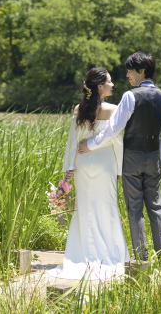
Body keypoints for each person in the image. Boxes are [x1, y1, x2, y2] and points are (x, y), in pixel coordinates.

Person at [78, 52, 161, 262]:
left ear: (141, 71)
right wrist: (160, 159)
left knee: (135, 206)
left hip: (132, 157)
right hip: (153, 157)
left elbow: (113, 129)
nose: (128, 75)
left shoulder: (130, 97)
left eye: (130, 70)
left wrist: (91, 145)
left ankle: (141, 259)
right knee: (156, 207)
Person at [47, 67, 130, 280]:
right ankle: (110, 254)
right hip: (106, 163)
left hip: (83, 162)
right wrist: (121, 169)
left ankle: (81, 254)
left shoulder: (78, 109)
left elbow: (72, 141)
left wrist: (69, 169)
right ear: (100, 87)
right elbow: (118, 141)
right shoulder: (114, 109)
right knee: (107, 206)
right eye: (109, 82)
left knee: (83, 207)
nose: (113, 85)